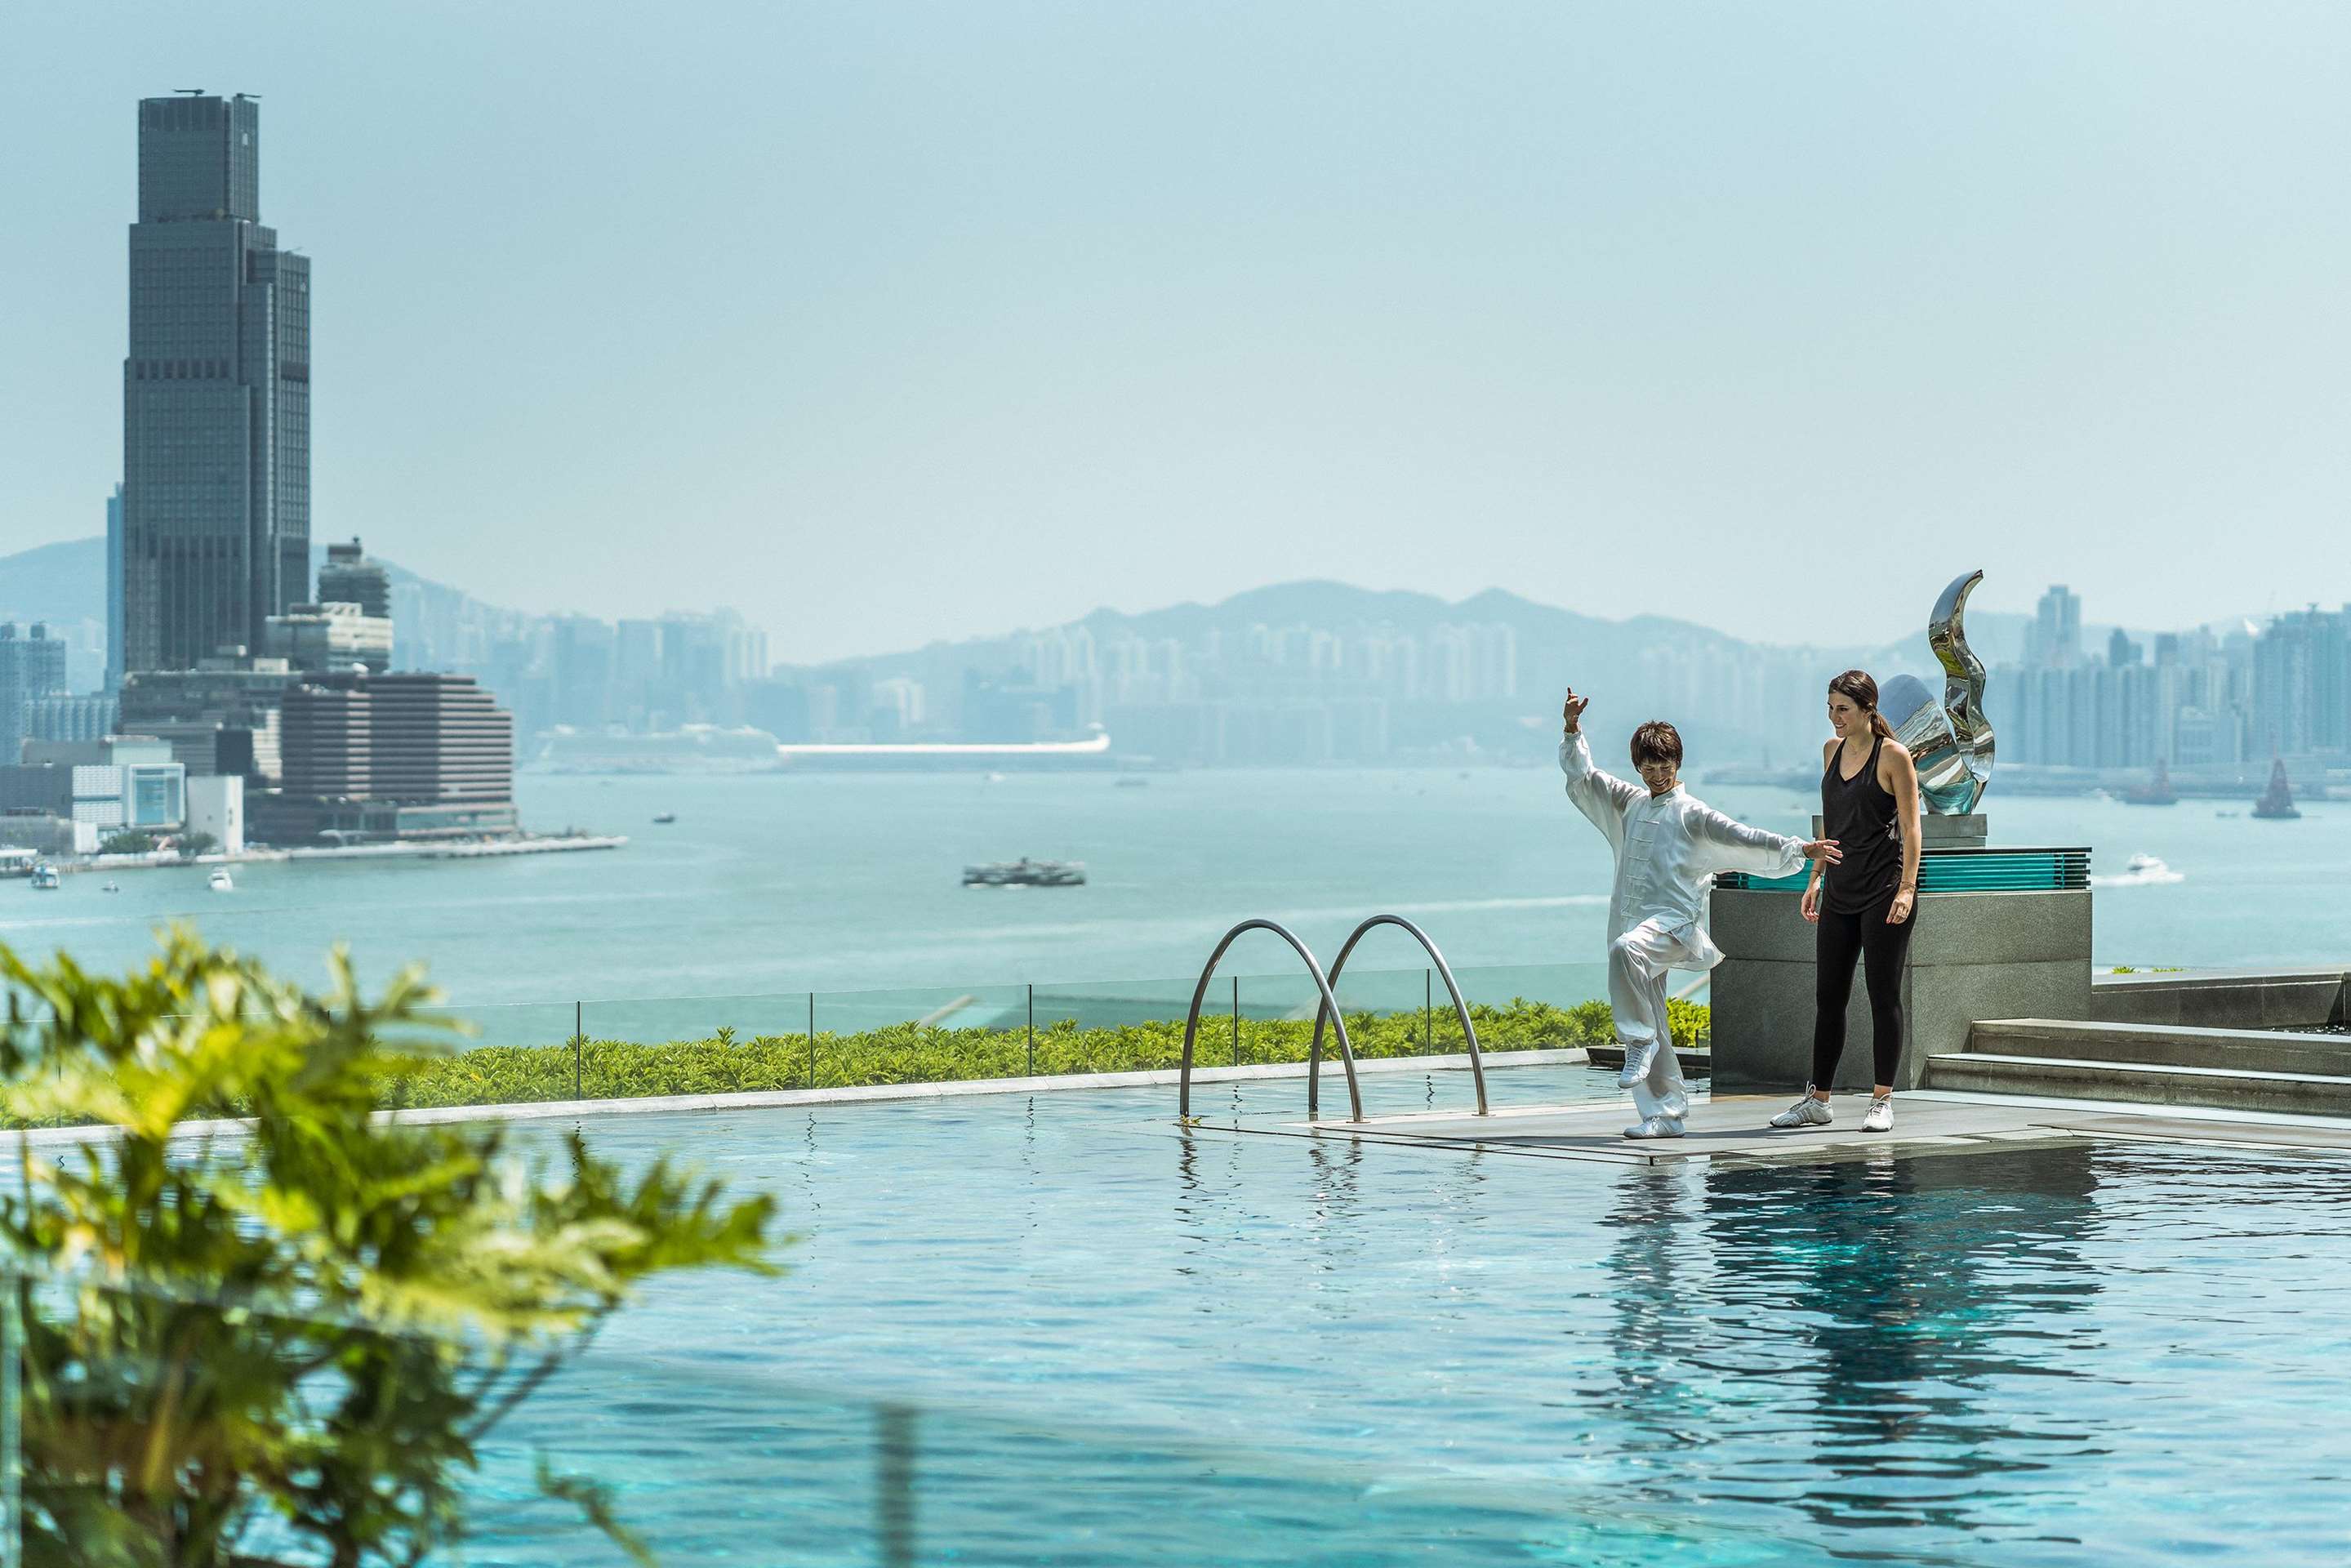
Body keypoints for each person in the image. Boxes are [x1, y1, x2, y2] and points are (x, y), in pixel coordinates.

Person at [1561, 688, 1841, 1139]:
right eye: (1648, 765)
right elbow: (1583, 779)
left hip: (1673, 927)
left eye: (1664, 764)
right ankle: (1665, 1114)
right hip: (1635, 922)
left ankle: (1638, 1040)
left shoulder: (1693, 814)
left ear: (1678, 763)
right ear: (1638, 766)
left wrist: (1800, 849)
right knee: (1649, 1000)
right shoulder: (1629, 803)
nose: (1656, 773)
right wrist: (1573, 729)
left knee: (1625, 953)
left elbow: (1744, 837)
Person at [1769, 669, 1923, 1134]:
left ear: (1868, 710)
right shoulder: (1830, 752)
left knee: (1883, 996)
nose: (1835, 718)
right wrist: (1815, 877)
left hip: (1883, 893)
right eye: (1831, 708)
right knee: (1828, 997)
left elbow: (1913, 829)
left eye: (1843, 709)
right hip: (1839, 891)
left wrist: (1908, 888)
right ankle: (1818, 1100)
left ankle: (1882, 1100)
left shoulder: (1893, 756)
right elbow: (1831, 823)